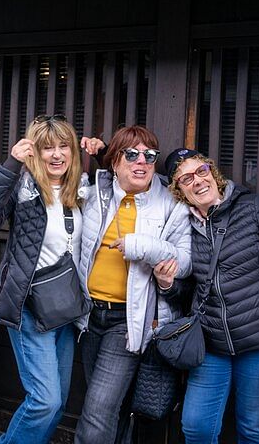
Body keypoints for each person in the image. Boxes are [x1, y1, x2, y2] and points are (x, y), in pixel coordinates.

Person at [158, 147, 259, 444]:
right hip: (211, 343)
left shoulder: (254, 207)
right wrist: (168, 285)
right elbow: (192, 291)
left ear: (213, 172)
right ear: (179, 191)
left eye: (201, 171)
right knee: (196, 427)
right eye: (185, 179)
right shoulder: (183, 227)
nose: (197, 181)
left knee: (253, 429)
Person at [74, 127, 192, 444]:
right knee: (113, 406)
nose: (142, 162)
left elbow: (185, 259)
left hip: (128, 321)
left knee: (98, 410)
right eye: (132, 155)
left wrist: (141, 245)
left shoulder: (170, 202)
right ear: (115, 162)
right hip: (88, 317)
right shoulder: (97, 193)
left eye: (149, 156)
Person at [0, 115, 85, 444]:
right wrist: (10, 164)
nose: (57, 154)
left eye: (64, 146)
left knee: (58, 403)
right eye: (48, 148)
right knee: (44, 400)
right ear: (34, 151)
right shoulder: (23, 187)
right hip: (28, 307)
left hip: (65, 309)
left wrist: (104, 152)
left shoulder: (81, 188)